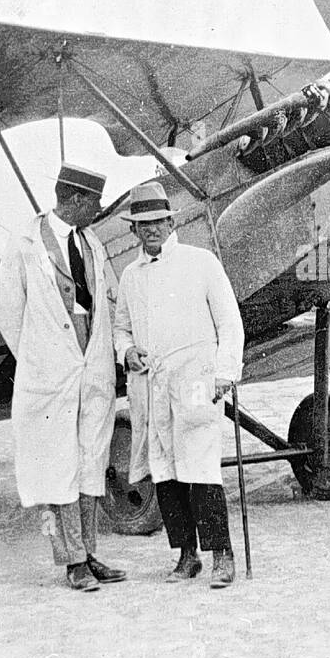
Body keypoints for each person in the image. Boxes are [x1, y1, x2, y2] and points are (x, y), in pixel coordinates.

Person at [0, 164, 126, 592]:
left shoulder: (92, 245)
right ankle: (72, 562)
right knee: (59, 465)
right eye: (94, 204)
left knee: (91, 460)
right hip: (51, 370)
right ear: (75, 201)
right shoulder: (24, 245)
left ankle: (89, 553)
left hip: (92, 365)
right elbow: (10, 316)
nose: (98, 211)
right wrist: (40, 360)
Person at [113, 183, 245, 588]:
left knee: (201, 468)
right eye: (142, 224)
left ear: (171, 222)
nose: (151, 230)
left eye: (157, 221)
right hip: (153, 386)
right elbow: (121, 327)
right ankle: (186, 555)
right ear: (134, 231)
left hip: (196, 383)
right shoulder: (131, 277)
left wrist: (225, 372)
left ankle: (223, 555)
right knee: (165, 470)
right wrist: (128, 350)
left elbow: (230, 322)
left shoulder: (200, 262)